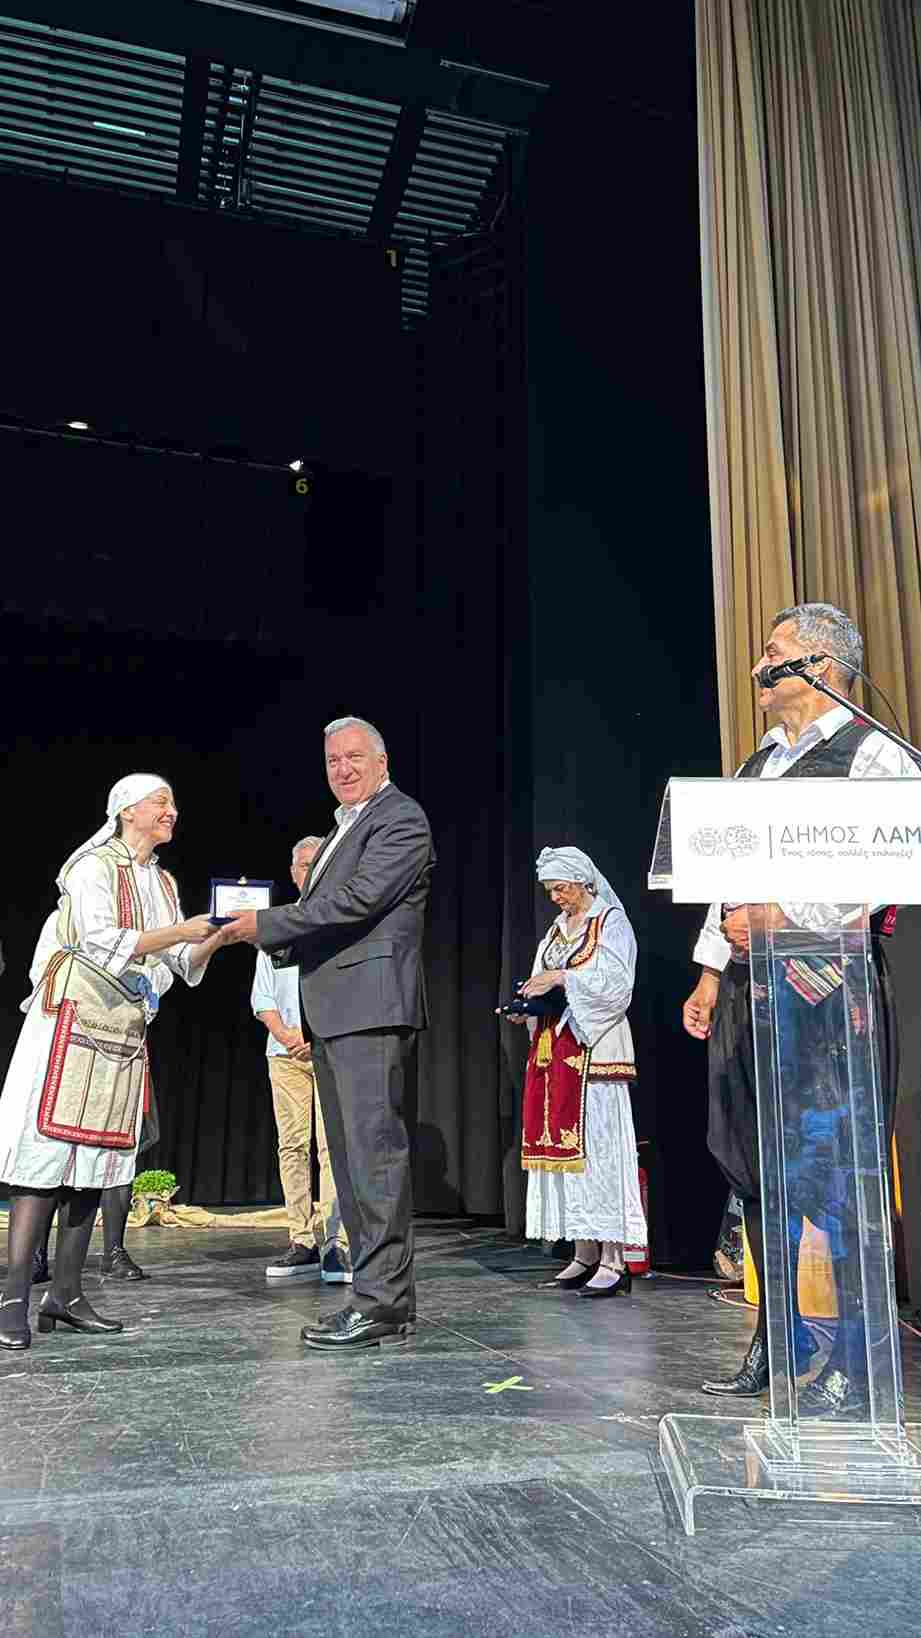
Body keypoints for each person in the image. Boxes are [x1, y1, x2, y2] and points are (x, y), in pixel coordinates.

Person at [682, 602, 921, 1412]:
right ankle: (778, 1339)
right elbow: (723, 877)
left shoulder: (874, 755)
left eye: (771, 652)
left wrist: (786, 918)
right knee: (752, 1168)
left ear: (816, 666)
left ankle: (857, 1353)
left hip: (826, 994)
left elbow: (886, 867)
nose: (756, 667)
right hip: (748, 993)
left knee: (835, 1174)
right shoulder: (758, 765)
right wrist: (710, 971)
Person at [226, 716, 434, 1352]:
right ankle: (378, 1299)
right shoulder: (346, 826)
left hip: (370, 1009)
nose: (342, 769)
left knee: (374, 1161)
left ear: (382, 761)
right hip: (338, 1012)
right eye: (332, 761)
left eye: (353, 757)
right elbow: (330, 919)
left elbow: (359, 901)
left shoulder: (400, 818)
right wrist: (273, 941)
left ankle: (381, 1303)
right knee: (351, 1166)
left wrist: (265, 925)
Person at [0, 775, 228, 1351]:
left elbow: (181, 962)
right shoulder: (92, 867)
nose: (172, 811)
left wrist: (219, 936)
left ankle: (66, 1296)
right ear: (127, 811)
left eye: (173, 803)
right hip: (71, 1022)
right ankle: (14, 1301)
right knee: (46, 1159)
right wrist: (179, 931)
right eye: (161, 802)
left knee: (96, 1163)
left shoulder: (163, 881)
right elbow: (102, 940)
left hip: (123, 1031)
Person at [503, 847, 646, 1297]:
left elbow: (617, 986)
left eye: (561, 888)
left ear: (584, 883)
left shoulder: (610, 924)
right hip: (555, 1050)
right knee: (569, 1159)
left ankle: (614, 1259)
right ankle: (584, 1252)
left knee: (600, 1152)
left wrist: (564, 979)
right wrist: (526, 1006)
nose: (556, 898)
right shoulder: (556, 930)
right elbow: (540, 978)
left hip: (594, 1049)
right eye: (550, 891)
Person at [253, 835, 351, 1285]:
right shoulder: (278, 924)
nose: (309, 872)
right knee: (292, 1146)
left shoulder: (339, 921)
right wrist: (288, 1036)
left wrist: (314, 1035)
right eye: (303, 865)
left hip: (328, 1050)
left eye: (317, 864)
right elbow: (263, 997)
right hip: (285, 1053)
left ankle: (336, 1243)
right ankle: (301, 1238)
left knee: (332, 1148)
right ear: (293, 873)